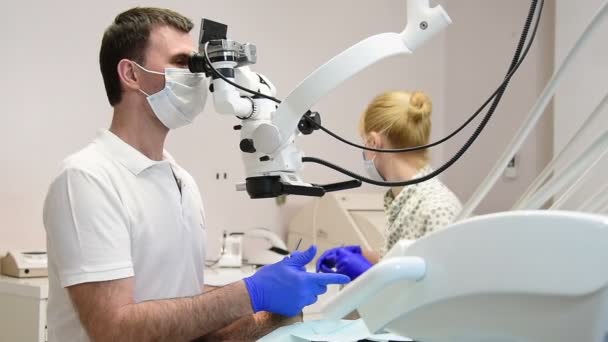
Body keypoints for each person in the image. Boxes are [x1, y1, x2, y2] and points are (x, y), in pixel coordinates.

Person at [42, 7, 349, 342]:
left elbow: (181, 310)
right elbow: (114, 330)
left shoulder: (180, 181)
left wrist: (273, 314)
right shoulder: (88, 178)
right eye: (182, 63)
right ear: (131, 74)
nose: (198, 77)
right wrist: (250, 293)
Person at [316, 90, 462, 280]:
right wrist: (365, 257)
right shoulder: (402, 200)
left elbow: (439, 291)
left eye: (363, 143)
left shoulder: (437, 208)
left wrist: (368, 275)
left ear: (374, 142)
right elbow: (411, 267)